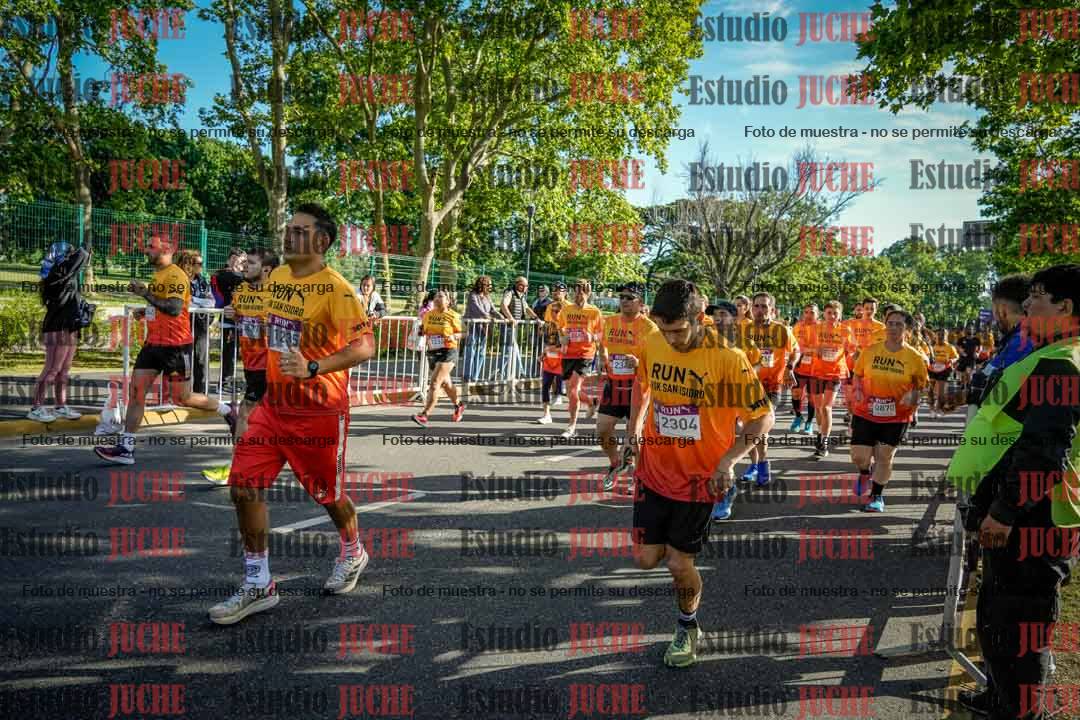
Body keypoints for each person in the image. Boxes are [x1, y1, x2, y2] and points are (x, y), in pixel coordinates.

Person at [208, 203, 377, 625]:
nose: (288, 236)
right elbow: (276, 326)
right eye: (288, 229)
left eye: (300, 231)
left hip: (318, 413)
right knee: (243, 486)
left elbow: (365, 346)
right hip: (272, 407)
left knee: (329, 496)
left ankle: (353, 550)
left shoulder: (337, 290)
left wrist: (314, 366)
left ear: (322, 241)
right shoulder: (279, 277)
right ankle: (258, 582)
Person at [948, 264, 1080, 720]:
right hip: (1028, 514)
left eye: (1037, 296)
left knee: (1019, 625)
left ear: (1064, 307)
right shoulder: (1055, 354)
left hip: (1032, 520)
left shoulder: (1062, 362)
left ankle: (1019, 711)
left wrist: (1003, 512)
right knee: (1000, 615)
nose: (1027, 304)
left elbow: (1043, 452)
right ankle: (1000, 697)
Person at [628, 279, 773, 668]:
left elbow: (763, 417)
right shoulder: (653, 341)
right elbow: (642, 385)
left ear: (699, 318)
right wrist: (633, 430)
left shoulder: (727, 357)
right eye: (665, 329)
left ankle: (687, 626)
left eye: (678, 330)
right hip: (653, 470)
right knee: (645, 559)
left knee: (678, 564)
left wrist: (728, 462)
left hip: (699, 480)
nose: (671, 339)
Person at [94, 234, 236, 465]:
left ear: (167, 250)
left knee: (183, 398)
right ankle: (126, 448)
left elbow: (174, 308)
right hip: (153, 344)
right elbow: (161, 305)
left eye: (151, 247)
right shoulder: (159, 274)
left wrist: (145, 294)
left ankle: (227, 410)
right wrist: (146, 311)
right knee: (136, 392)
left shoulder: (176, 275)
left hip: (175, 347)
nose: (146, 250)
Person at [202, 248, 280, 485]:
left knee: (245, 415)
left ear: (266, 269)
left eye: (251, 263)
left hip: (271, 364)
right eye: (245, 262)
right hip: (250, 361)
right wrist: (233, 315)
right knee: (268, 419)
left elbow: (290, 328)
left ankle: (237, 468)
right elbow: (242, 319)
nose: (245, 266)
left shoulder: (278, 293)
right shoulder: (242, 290)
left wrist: (262, 324)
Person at [849, 309, 929, 512]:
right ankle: (865, 472)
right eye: (890, 323)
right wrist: (857, 389)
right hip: (866, 411)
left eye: (898, 324)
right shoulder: (870, 351)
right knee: (859, 456)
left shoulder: (914, 358)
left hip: (897, 416)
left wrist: (913, 396)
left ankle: (876, 496)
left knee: (884, 456)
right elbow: (857, 374)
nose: (893, 328)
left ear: (908, 329)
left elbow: (922, 386)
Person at [597, 282, 656, 490]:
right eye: (621, 297)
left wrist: (639, 363)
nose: (624, 301)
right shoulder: (610, 321)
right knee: (602, 431)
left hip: (638, 385)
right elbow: (603, 345)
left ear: (640, 302)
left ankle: (639, 476)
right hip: (614, 384)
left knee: (634, 434)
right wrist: (603, 359)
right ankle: (616, 463)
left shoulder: (649, 328)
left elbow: (656, 361)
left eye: (629, 298)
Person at [29, 241, 90, 423]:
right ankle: (36, 408)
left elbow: (80, 258)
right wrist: (83, 248)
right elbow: (81, 255)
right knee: (52, 368)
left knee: (64, 369)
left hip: (69, 326)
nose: (72, 257)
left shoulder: (66, 273)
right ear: (62, 258)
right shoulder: (56, 274)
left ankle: (60, 405)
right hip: (57, 327)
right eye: (68, 254)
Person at [741, 292, 798, 486]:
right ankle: (754, 464)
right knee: (749, 427)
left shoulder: (781, 330)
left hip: (772, 385)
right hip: (748, 385)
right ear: (751, 308)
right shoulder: (744, 330)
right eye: (756, 306)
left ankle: (762, 463)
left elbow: (796, 350)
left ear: (772, 310)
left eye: (764, 306)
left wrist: (790, 368)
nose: (759, 310)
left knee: (760, 425)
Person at [557, 279, 603, 438]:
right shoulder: (566, 309)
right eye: (575, 293)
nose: (577, 296)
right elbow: (560, 328)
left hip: (585, 353)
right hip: (568, 353)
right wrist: (562, 338)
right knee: (572, 391)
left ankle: (571, 426)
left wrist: (592, 337)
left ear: (588, 294)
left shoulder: (594, 311)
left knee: (573, 389)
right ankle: (591, 402)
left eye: (581, 293)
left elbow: (601, 334)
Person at [412, 289, 466, 426]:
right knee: (446, 384)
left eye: (441, 296)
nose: (437, 298)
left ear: (448, 301)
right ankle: (459, 405)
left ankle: (424, 415)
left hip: (448, 351)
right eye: (436, 296)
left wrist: (454, 336)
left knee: (435, 382)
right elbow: (423, 329)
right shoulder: (428, 315)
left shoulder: (453, 315)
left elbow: (464, 332)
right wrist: (420, 331)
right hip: (433, 352)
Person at [809, 300, 853, 460]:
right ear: (824, 314)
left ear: (840, 315)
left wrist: (852, 353)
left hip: (835, 372)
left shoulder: (845, 330)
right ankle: (821, 431)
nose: (832, 316)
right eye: (829, 313)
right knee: (818, 407)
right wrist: (816, 350)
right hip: (817, 371)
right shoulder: (816, 328)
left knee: (826, 407)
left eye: (835, 313)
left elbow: (852, 349)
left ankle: (823, 441)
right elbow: (806, 347)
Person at [176, 250, 215, 394]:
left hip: (200, 325)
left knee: (201, 359)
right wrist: (198, 302)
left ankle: (200, 393)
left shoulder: (203, 281)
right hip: (182, 325)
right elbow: (184, 302)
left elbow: (211, 302)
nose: (201, 266)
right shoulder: (178, 280)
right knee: (183, 360)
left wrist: (195, 300)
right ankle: (179, 393)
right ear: (187, 264)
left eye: (201, 263)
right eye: (198, 263)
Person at [212, 248, 247, 390]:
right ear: (233, 258)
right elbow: (229, 279)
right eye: (243, 261)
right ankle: (225, 382)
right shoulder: (223, 274)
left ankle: (232, 380)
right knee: (229, 352)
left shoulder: (239, 275)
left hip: (243, 319)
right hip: (229, 320)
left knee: (239, 352)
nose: (245, 264)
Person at [499, 276, 540, 390]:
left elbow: (527, 309)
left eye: (526, 286)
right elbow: (503, 305)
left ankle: (504, 374)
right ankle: (510, 374)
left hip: (514, 327)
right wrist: (511, 318)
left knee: (512, 350)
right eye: (523, 285)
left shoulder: (521, 296)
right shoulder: (510, 293)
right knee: (510, 351)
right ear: (517, 284)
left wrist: (536, 318)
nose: (525, 287)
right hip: (507, 326)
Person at [462, 275, 499, 393]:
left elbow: (493, 310)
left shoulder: (487, 297)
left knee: (481, 353)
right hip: (472, 326)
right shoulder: (472, 295)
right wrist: (487, 316)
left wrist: (503, 318)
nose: (490, 287)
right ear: (482, 285)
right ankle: (467, 377)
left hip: (484, 328)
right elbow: (476, 308)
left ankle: (475, 377)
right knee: (471, 352)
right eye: (488, 284)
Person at [790, 303, 819, 434]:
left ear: (817, 314)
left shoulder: (822, 328)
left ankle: (809, 422)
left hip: (815, 370)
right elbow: (792, 346)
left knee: (812, 398)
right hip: (799, 367)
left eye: (812, 312)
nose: (808, 315)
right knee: (796, 394)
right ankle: (798, 417)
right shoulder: (797, 327)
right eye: (806, 312)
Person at [929, 329, 959, 417]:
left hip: (944, 369)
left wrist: (952, 360)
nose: (940, 336)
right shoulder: (933, 347)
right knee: (930, 390)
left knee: (940, 392)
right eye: (939, 334)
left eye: (943, 335)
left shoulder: (950, 347)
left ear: (946, 336)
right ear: (936, 336)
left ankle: (939, 409)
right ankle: (932, 409)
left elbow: (956, 357)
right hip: (933, 369)